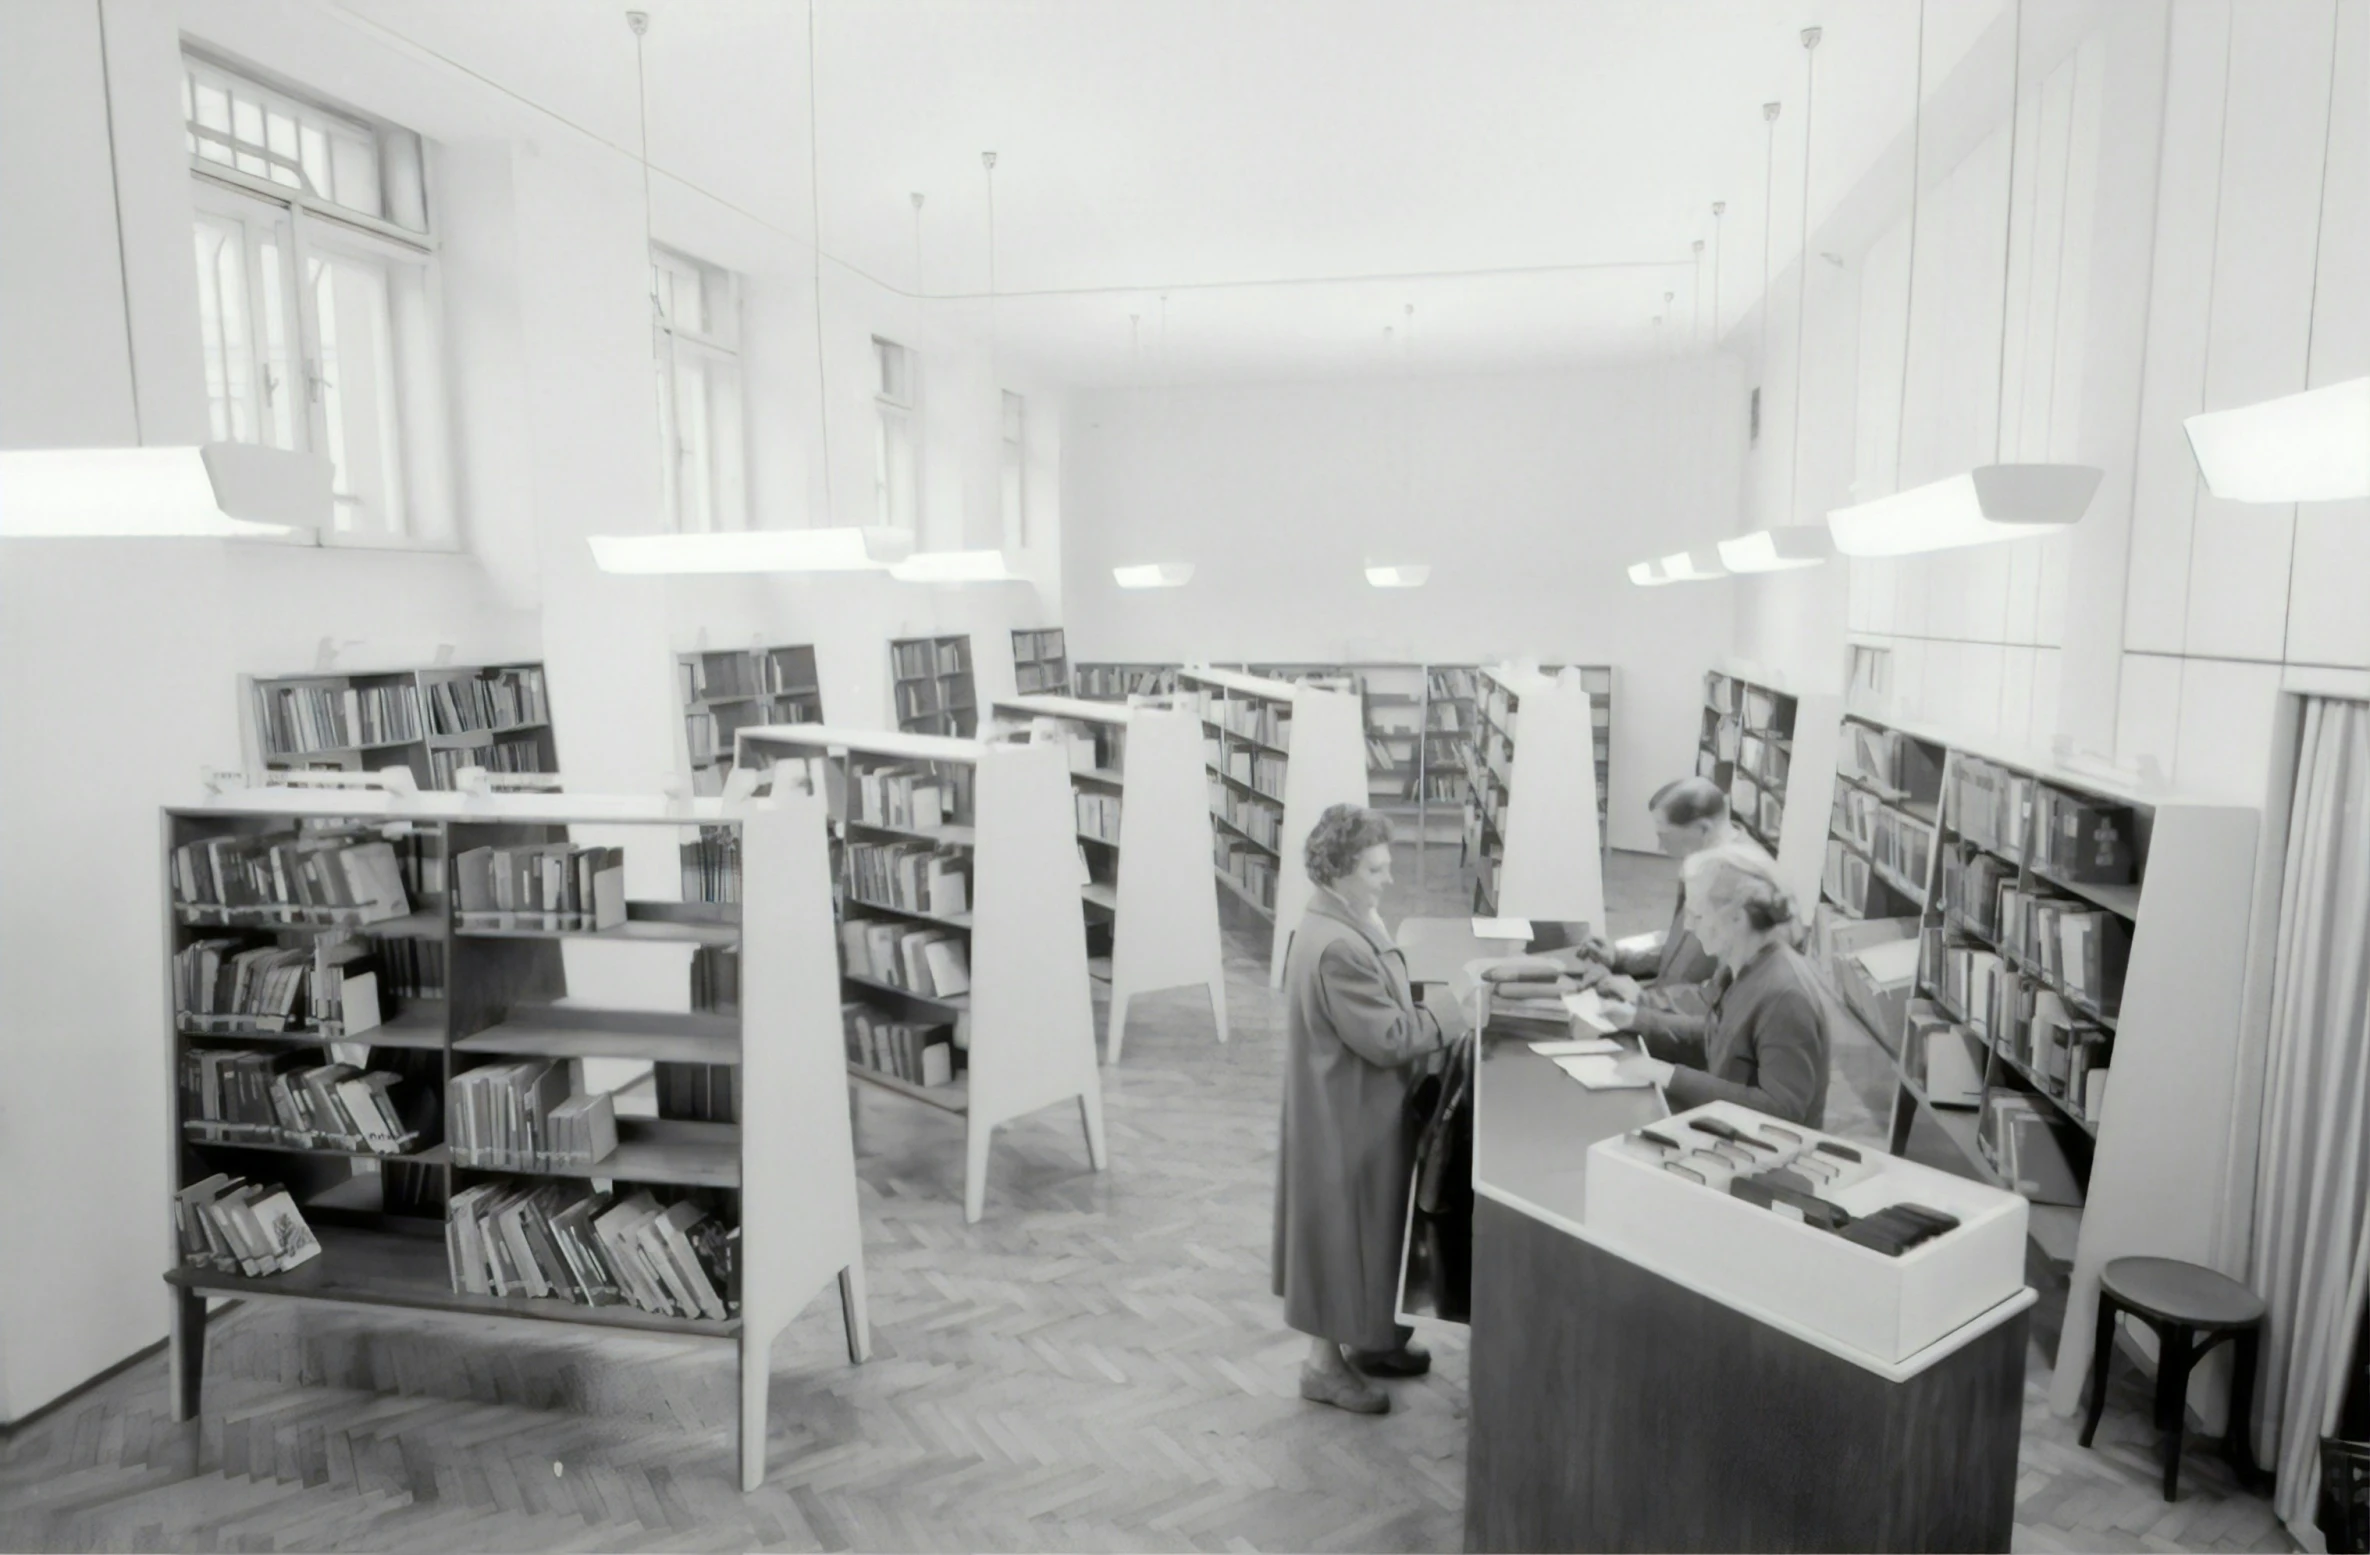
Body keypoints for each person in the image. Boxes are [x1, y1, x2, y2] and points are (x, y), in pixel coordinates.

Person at [1273, 802, 1456, 1415]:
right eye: (1377, 869)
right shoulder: (1336, 946)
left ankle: (1376, 1339)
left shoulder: (1349, 916)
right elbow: (1387, 1038)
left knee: (1377, 1233)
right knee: (1340, 1238)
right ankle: (1323, 1368)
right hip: (1346, 1119)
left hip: (1358, 1108)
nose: (1388, 879)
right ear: (1343, 871)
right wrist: (1456, 1015)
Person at [1606, 843, 1830, 1126]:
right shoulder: (1745, 965)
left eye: (1697, 915)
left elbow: (1782, 1110)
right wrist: (1637, 1020)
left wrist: (1669, 1075)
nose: (1688, 926)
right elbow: (1720, 1035)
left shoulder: (1785, 995)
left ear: (1738, 917)